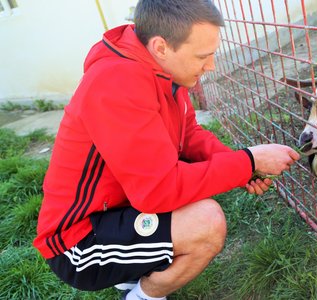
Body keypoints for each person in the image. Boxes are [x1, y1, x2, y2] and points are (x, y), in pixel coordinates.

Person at [33, 1, 300, 299]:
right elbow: (159, 190)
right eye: (203, 56)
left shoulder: (163, 72)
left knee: (194, 196)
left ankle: (129, 272)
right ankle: (142, 296)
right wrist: (247, 162)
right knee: (206, 222)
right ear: (161, 47)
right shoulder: (117, 83)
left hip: (116, 209)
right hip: (77, 243)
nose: (210, 66)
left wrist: (245, 166)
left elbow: (189, 136)